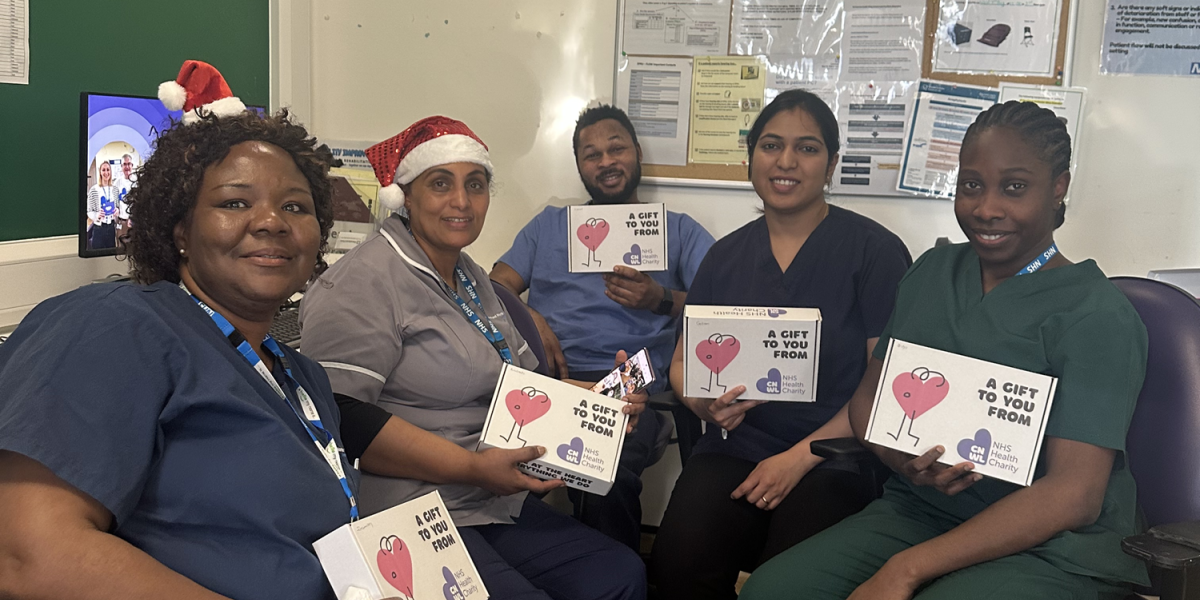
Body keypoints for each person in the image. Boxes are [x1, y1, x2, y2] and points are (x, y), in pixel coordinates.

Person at [741, 100, 1149, 600]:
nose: (986, 208)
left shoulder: (1096, 314)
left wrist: (906, 569)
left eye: (1014, 187)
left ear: (1058, 187)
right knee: (773, 590)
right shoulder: (932, 272)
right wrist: (903, 456)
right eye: (971, 185)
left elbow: (1075, 496)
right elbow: (868, 403)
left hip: (1054, 547)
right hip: (921, 512)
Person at [0, 61, 359, 600]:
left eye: (295, 206)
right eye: (234, 202)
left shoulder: (300, 376)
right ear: (180, 232)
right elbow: (28, 554)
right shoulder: (115, 326)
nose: (271, 221)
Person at [299, 116, 647, 600]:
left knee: (618, 574)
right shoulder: (363, 282)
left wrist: (603, 399)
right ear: (407, 196)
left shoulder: (470, 275)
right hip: (405, 509)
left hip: (487, 500)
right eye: (440, 183)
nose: (461, 201)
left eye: (476, 185)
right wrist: (472, 467)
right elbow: (341, 420)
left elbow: (525, 386)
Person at [647, 89, 912, 599]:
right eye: (771, 145)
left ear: (831, 163)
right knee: (679, 558)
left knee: (789, 581)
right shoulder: (725, 257)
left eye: (807, 148)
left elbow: (884, 389)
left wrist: (800, 457)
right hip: (736, 446)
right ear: (752, 157)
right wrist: (702, 402)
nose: (786, 162)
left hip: (834, 454)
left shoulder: (874, 253)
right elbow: (682, 361)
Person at [490, 104, 716, 549]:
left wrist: (662, 299)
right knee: (492, 450)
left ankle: (613, 576)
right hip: (551, 375)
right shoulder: (551, 224)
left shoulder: (676, 230)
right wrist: (530, 315)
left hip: (632, 378)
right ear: (579, 166)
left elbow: (726, 306)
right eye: (591, 154)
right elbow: (494, 285)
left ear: (636, 154)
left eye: (616, 148)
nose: (606, 161)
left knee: (602, 467)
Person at [86, 160, 120, 249]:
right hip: (99, 228)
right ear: (100, 172)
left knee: (110, 255)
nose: (106, 172)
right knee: (98, 255)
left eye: (108, 170)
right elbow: (89, 211)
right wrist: (97, 215)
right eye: (103, 170)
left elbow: (117, 207)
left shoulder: (115, 189)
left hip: (111, 227)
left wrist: (117, 211)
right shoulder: (94, 190)